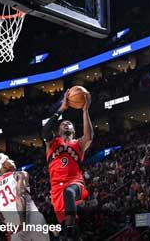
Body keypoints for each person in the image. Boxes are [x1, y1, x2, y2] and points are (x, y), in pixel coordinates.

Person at [41, 89, 93, 241]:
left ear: (74, 131)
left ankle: (70, 230)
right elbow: (45, 131)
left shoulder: (78, 144)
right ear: (58, 130)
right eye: (63, 123)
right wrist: (62, 109)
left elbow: (89, 136)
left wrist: (85, 111)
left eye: (69, 123)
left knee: (69, 193)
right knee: (65, 224)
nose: (66, 124)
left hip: (75, 183)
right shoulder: (52, 143)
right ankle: (71, 233)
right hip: (56, 188)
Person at [0, 153, 50, 241]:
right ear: (4, 165)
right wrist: (22, 222)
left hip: (15, 226)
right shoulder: (19, 174)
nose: (12, 161)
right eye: (9, 160)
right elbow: (20, 197)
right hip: (31, 219)